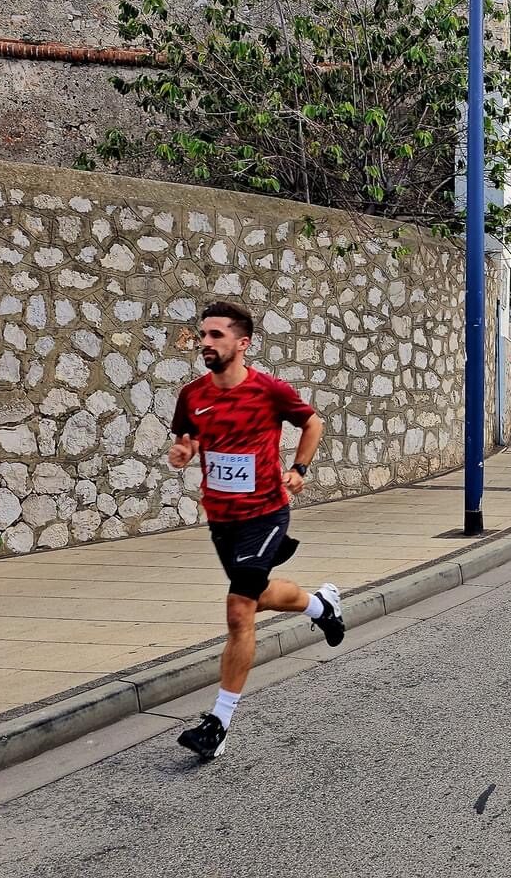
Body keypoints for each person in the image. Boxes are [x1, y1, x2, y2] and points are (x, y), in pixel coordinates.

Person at [169, 301, 344, 760]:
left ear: (242, 343)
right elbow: (188, 438)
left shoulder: (269, 390)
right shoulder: (192, 395)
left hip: (266, 513)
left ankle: (218, 723)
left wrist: (299, 468)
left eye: (216, 335)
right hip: (220, 516)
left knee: (238, 610)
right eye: (203, 335)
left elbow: (313, 422)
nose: (205, 342)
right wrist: (184, 452)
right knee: (256, 596)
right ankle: (320, 605)